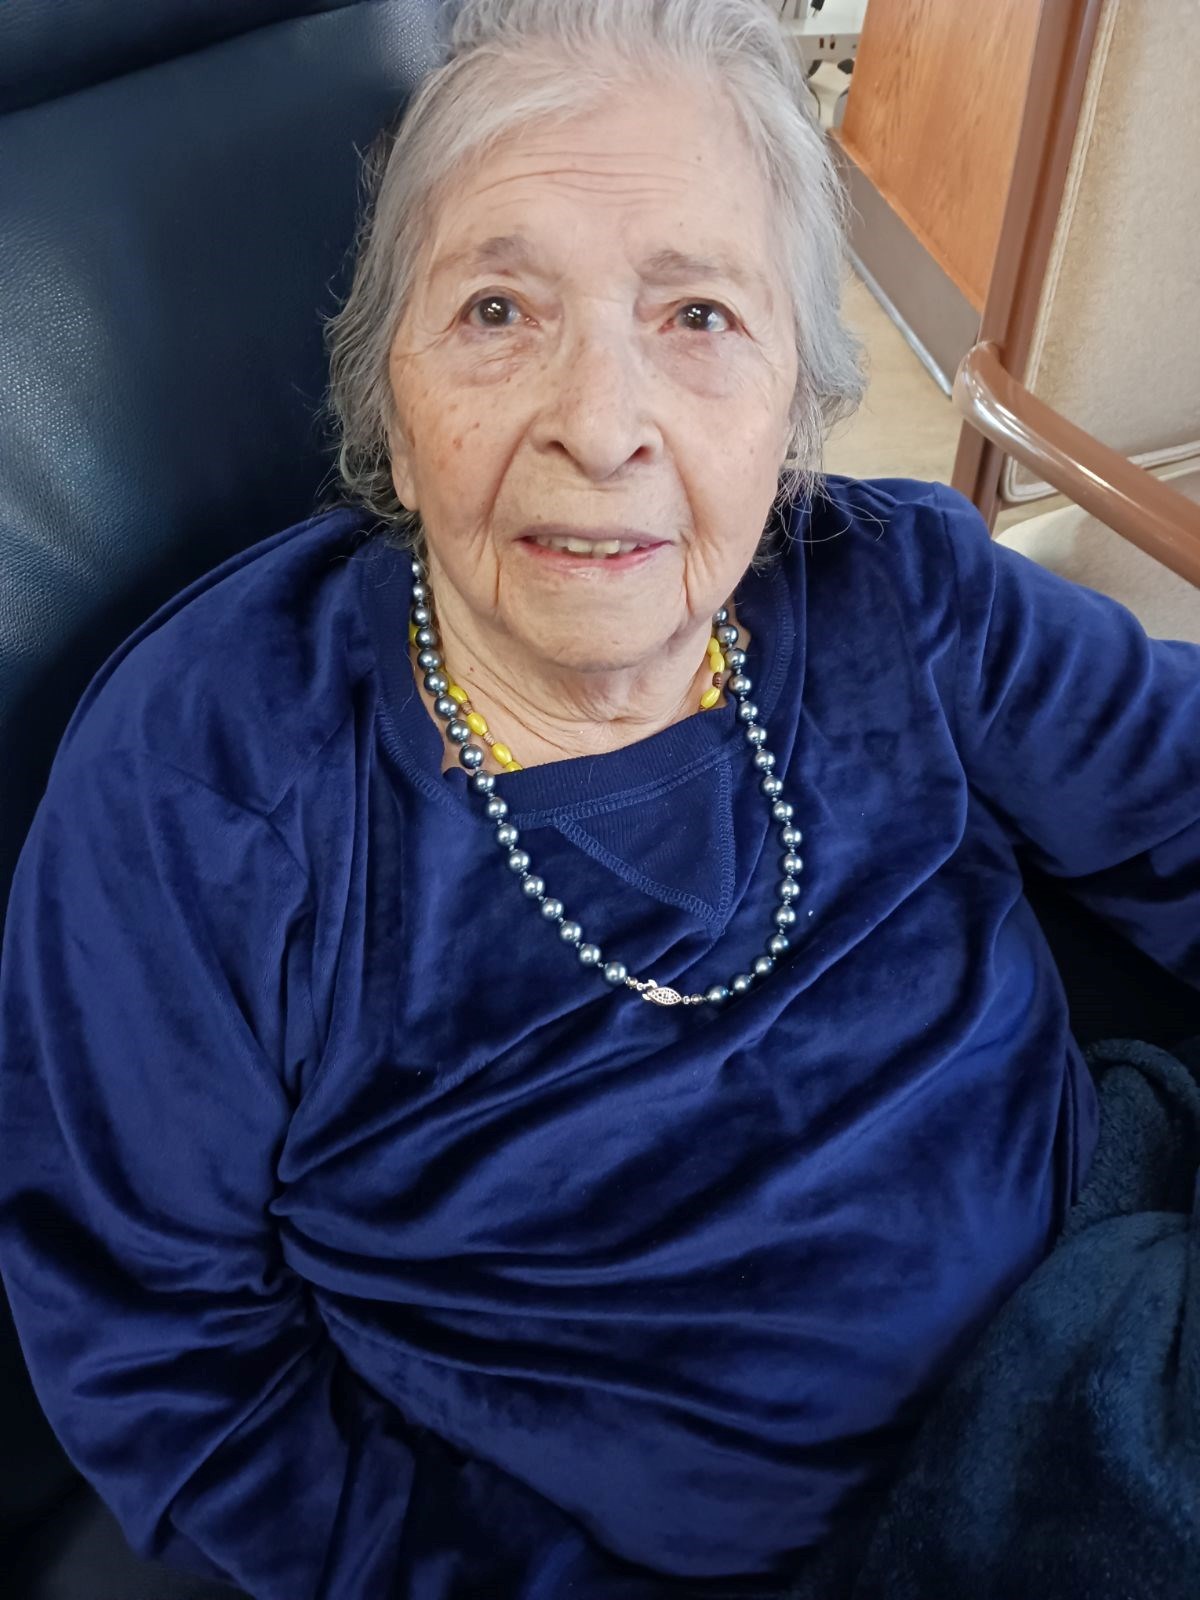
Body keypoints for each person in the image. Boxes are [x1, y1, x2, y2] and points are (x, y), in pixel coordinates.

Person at [0, 2, 1197, 1598]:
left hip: (1109, 1314)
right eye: (498, 309)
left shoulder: (900, 589)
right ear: (391, 413)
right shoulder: (207, 783)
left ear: (793, 410)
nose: (603, 422)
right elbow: (166, 1356)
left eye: (698, 315)